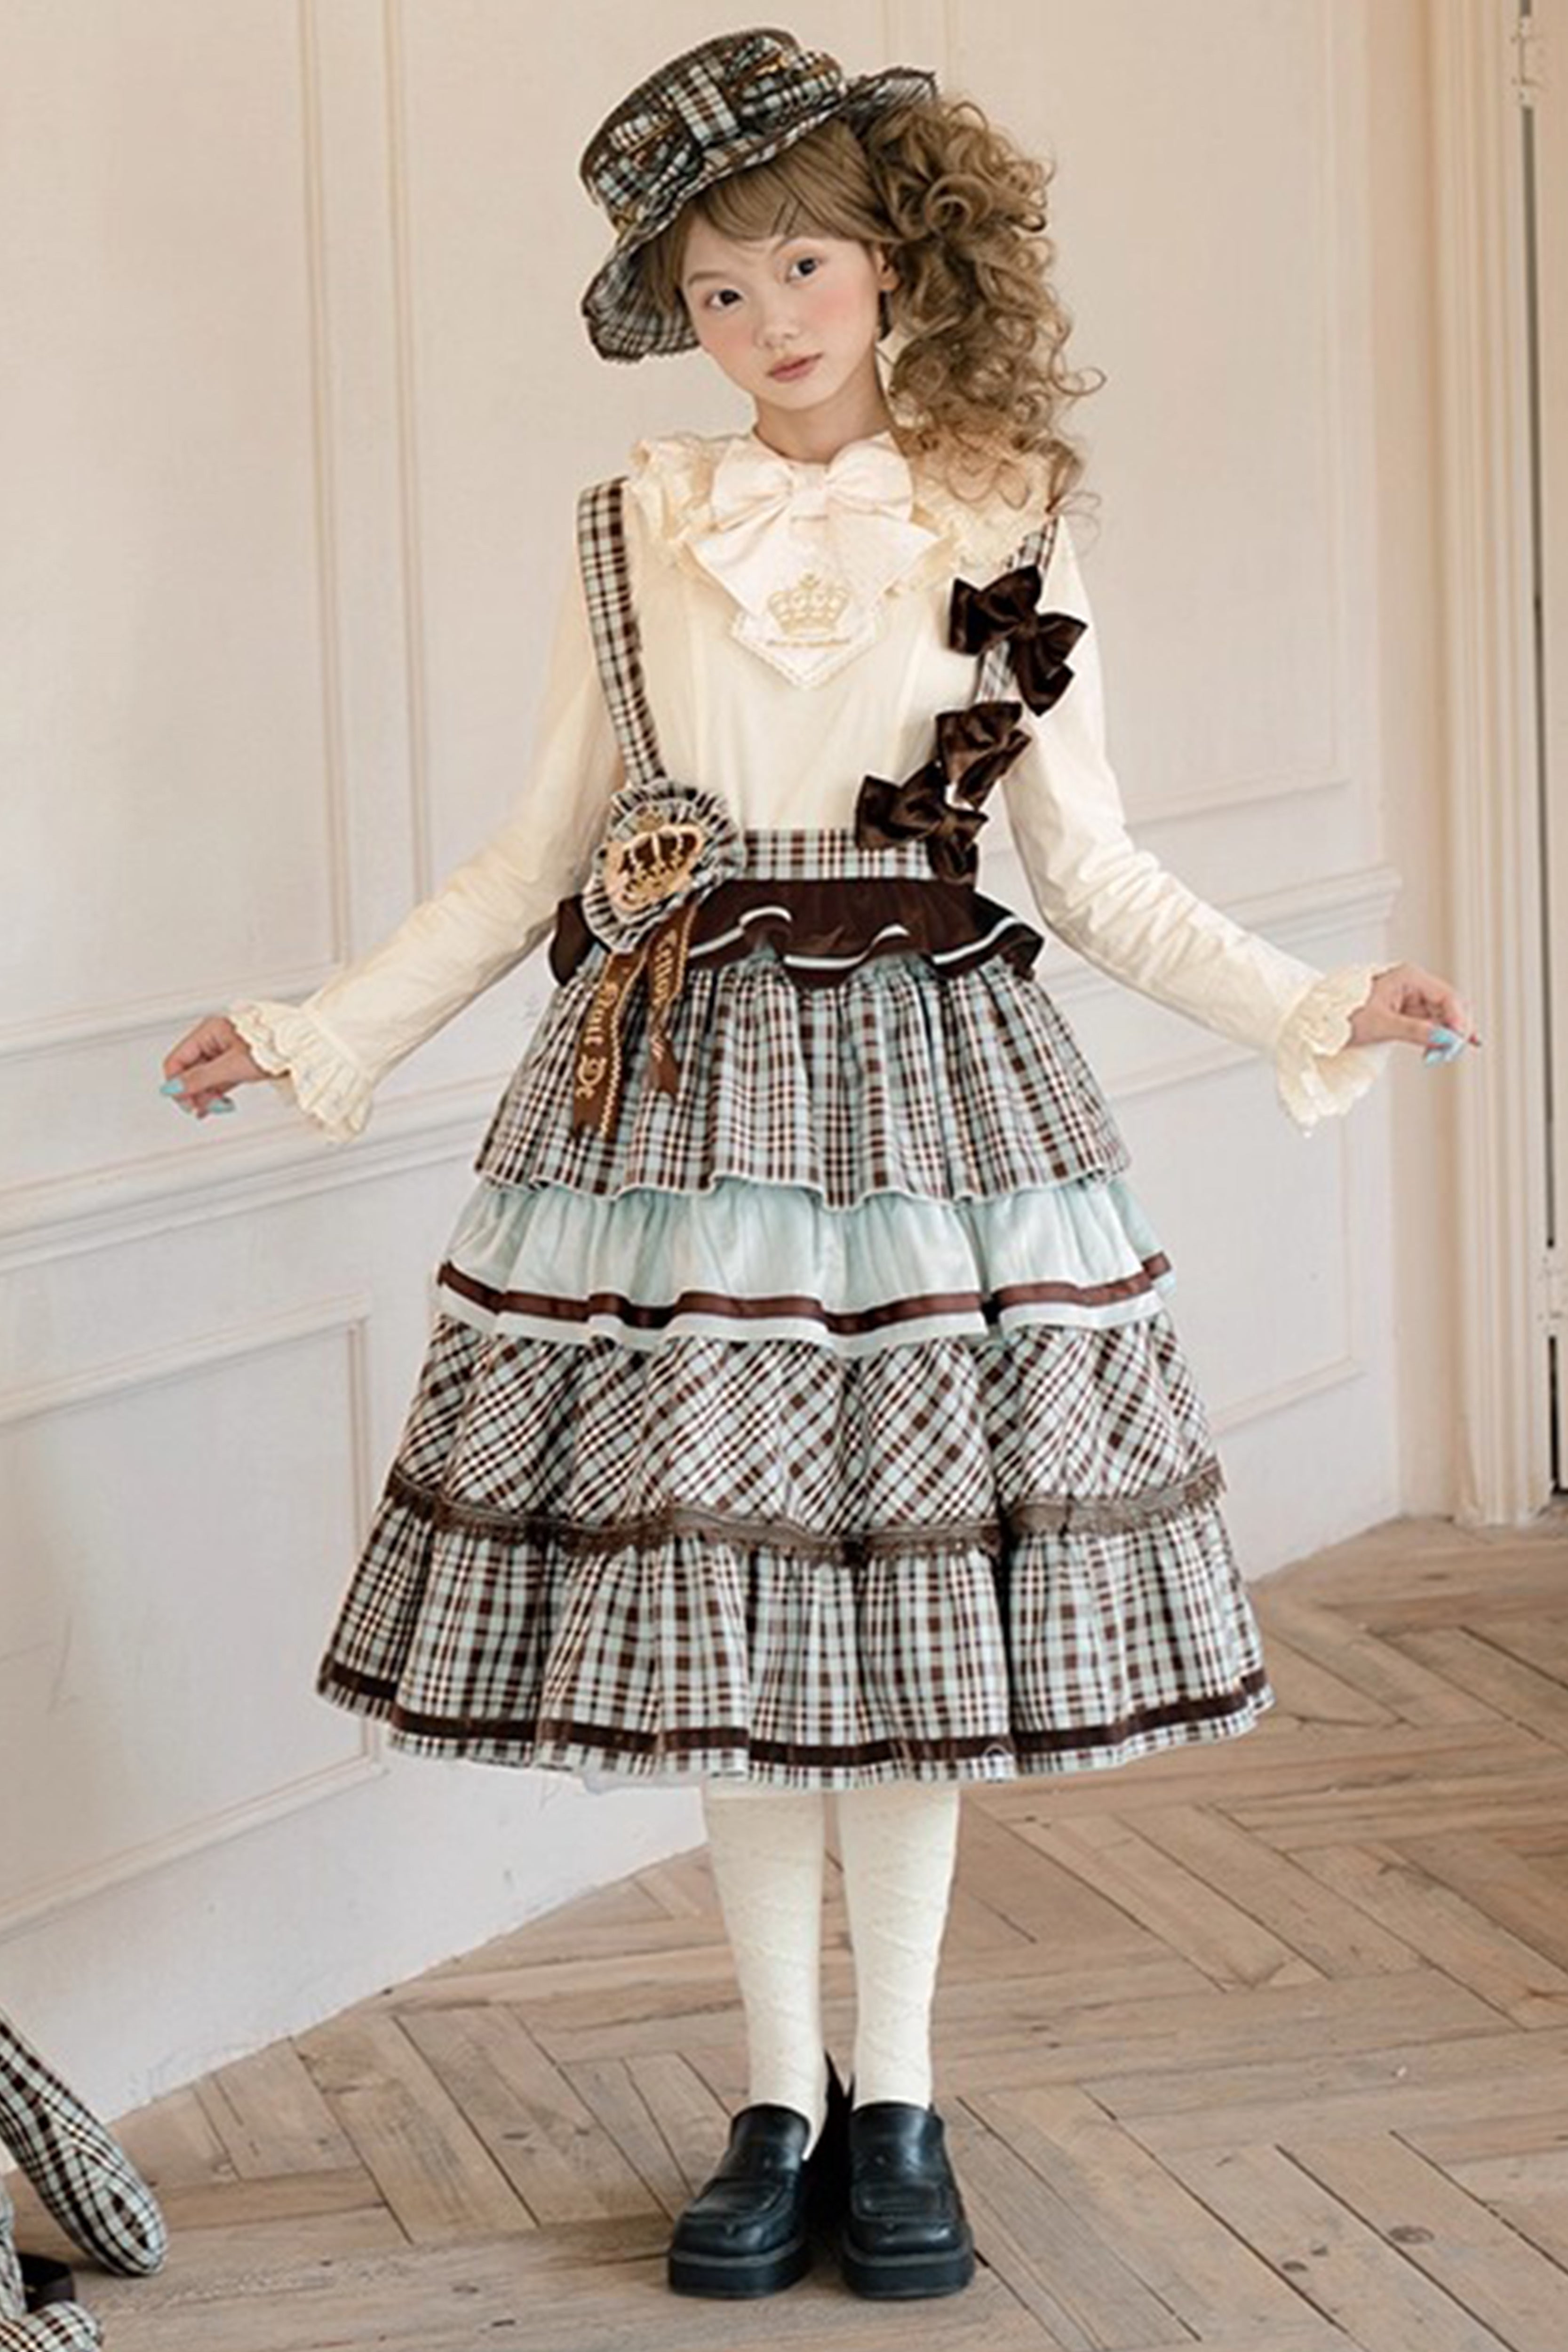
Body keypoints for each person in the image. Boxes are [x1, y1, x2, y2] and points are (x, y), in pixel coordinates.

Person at [159, 26, 1477, 2306]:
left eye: (800, 262)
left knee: (909, 1625)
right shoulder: (630, 527)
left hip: (938, 1115)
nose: (765, 316)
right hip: (684, 1116)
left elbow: (1097, 867)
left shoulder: (1008, 511)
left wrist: (1312, 997)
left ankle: (903, 2095)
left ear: (893, 261)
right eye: (715, 287)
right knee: (738, 1611)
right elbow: (529, 856)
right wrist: (314, 1028)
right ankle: (776, 2094)